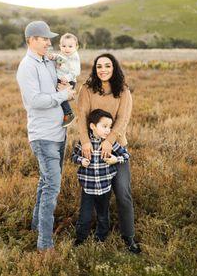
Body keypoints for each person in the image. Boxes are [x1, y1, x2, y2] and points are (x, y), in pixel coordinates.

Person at [16, 21, 75, 252]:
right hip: (43, 136)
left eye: (49, 39)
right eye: (44, 39)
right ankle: (45, 244)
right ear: (31, 40)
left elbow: (60, 80)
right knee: (52, 186)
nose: (49, 42)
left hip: (59, 132)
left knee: (45, 182)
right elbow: (35, 101)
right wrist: (62, 96)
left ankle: (34, 225)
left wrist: (66, 85)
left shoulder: (47, 61)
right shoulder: (26, 67)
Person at [77, 53, 141, 253]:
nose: (103, 69)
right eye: (99, 66)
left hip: (115, 148)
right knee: (93, 194)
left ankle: (128, 237)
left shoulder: (122, 91)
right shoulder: (87, 89)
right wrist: (85, 142)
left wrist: (109, 141)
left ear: (114, 68)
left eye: (107, 66)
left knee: (123, 193)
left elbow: (123, 120)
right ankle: (91, 233)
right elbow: (81, 117)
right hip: (92, 149)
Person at [72, 109, 130, 246]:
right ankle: (80, 238)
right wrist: (81, 160)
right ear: (92, 126)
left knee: (103, 215)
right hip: (88, 187)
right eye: (104, 126)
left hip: (105, 187)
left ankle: (101, 237)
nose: (108, 130)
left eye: (109, 127)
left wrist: (116, 159)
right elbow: (73, 156)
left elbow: (127, 155)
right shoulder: (84, 143)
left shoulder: (111, 144)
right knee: (85, 215)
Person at [48, 32, 80, 127]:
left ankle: (68, 113)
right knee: (58, 96)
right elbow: (60, 58)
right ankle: (61, 114)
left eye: (70, 46)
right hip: (62, 79)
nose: (67, 48)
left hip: (68, 81)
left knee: (61, 96)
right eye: (64, 46)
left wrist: (67, 78)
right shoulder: (65, 54)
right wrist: (53, 56)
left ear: (76, 47)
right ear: (60, 46)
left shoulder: (74, 57)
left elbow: (76, 71)